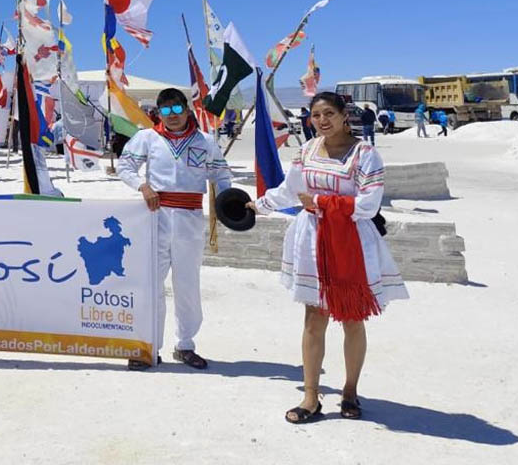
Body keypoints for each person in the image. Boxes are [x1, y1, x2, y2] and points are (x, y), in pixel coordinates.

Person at [249, 92, 408, 423]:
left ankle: (350, 391)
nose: (322, 120)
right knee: (314, 316)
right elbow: (290, 191)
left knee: (352, 317)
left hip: (349, 240)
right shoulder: (307, 150)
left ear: (344, 115)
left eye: (329, 114)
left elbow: (368, 205)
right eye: (316, 115)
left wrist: (320, 202)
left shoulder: (365, 154)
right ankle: (310, 396)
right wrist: (260, 205)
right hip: (312, 240)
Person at [116, 88, 232, 371]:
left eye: (177, 108)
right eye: (165, 110)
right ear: (158, 113)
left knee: (187, 284)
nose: (173, 115)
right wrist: (142, 186)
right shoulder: (147, 138)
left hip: (190, 219)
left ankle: (186, 345)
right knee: (151, 284)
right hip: (155, 218)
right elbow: (125, 166)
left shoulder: (205, 140)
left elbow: (221, 174)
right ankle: (149, 346)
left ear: (187, 108)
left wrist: (229, 202)